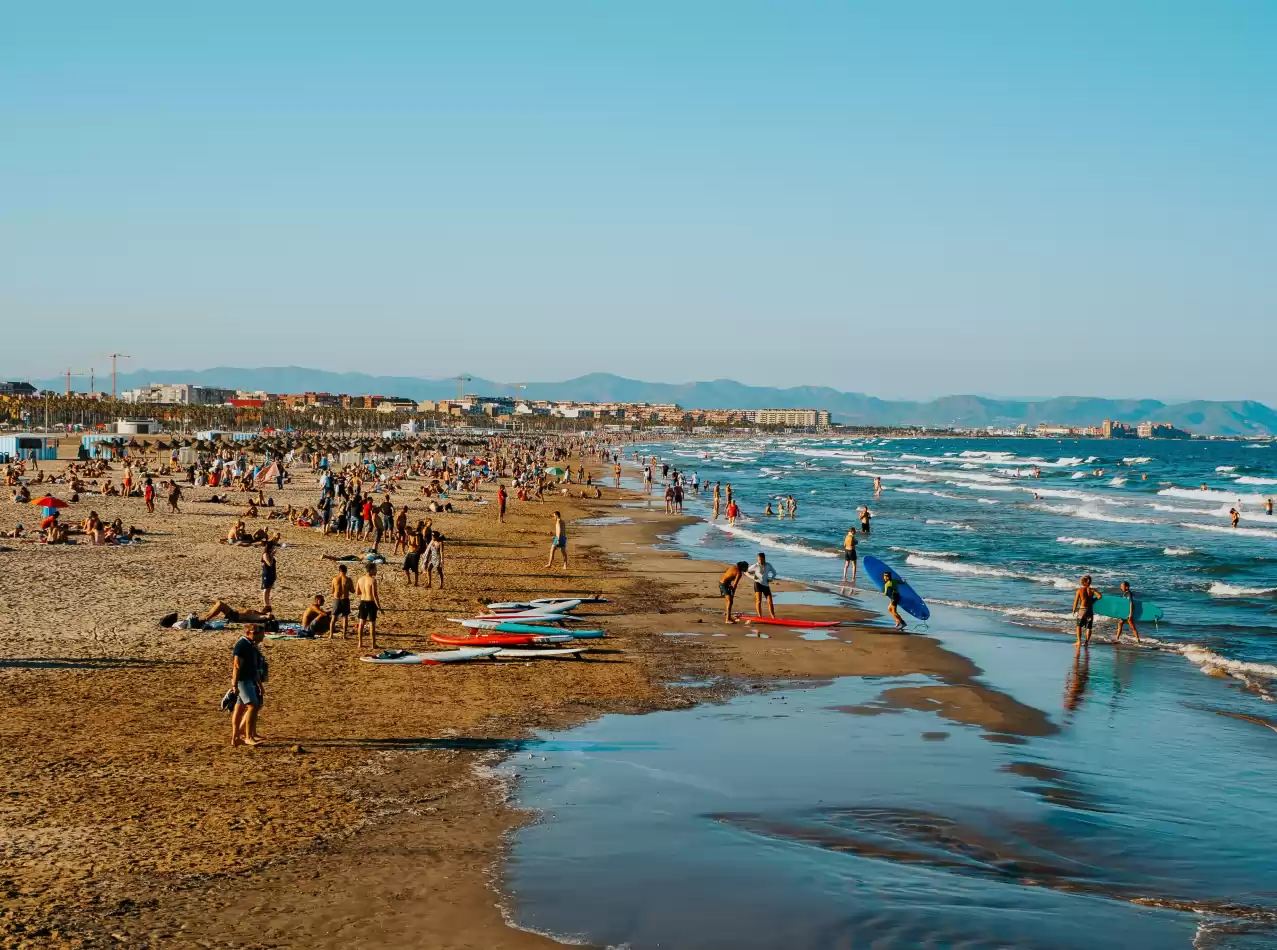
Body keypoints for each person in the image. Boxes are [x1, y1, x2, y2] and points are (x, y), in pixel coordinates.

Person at [230, 624, 266, 747]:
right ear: (248, 633)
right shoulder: (242, 645)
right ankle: (248, 737)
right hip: (243, 681)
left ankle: (236, 738)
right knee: (253, 705)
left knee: (240, 708)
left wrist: (260, 685)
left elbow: (254, 668)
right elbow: (236, 666)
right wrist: (234, 685)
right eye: (256, 633)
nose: (260, 635)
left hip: (249, 680)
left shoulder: (250, 645)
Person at [355, 563, 381, 648]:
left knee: (361, 623)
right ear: (371, 570)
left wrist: (365, 591)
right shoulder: (373, 580)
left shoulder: (360, 579)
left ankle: (360, 643)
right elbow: (375, 595)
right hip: (370, 603)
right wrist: (379, 607)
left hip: (363, 602)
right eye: (375, 569)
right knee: (372, 624)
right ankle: (373, 644)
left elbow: (357, 592)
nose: (376, 571)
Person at [747, 552, 777, 619]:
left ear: (764, 558)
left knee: (770, 602)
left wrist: (771, 579)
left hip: (766, 585)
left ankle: (773, 617)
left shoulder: (768, 565)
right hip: (758, 584)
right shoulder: (755, 565)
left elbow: (774, 573)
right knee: (758, 601)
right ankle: (760, 616)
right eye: (758, 559)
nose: (759, 561)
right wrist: (753, 577)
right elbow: (746, 571)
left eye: (760, 559)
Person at [1071, 574, 1100, 644]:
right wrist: (1093, 600)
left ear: (1083, 582)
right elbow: (1099, 596)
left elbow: (1076, 601)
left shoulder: (1079, 590)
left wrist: (1074, 610)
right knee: (1089, 627)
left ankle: (1079, 641)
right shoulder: (1092, 590)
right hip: (1090, 611)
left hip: (1082, 610)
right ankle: (1086, 642)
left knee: (1078, 625)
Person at [330, 565, 354, 638]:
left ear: (339, 570)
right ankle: (344, 635)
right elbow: (352, 591)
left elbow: (332, 591)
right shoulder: (348, 579)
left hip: (336, 599)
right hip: (345, 599)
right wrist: (347, 588)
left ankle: (331, 635)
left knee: (333, 618)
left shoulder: (334, 579)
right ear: (346, 571)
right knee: (345, 617)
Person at [200, 600, 273, 624]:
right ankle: (206, 617)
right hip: (234, 615)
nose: (261, 609)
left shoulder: (258, 616)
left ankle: (206, 618)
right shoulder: (258, 613)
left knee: (220, 604)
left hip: (235, 617)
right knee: (219, 603)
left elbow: (267, 617)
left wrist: (268, 615)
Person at [260, 539, 278, 610]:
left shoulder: (270, 555)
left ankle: (268, 603)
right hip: (267, 573)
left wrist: (275, 574)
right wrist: (272, 555)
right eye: (273, 547)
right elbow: (269, 564)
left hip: (271, 573)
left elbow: (273, 566)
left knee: (269, 589)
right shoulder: (265, 554)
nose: (273, 549)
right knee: (266, 589)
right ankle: (265, 604)